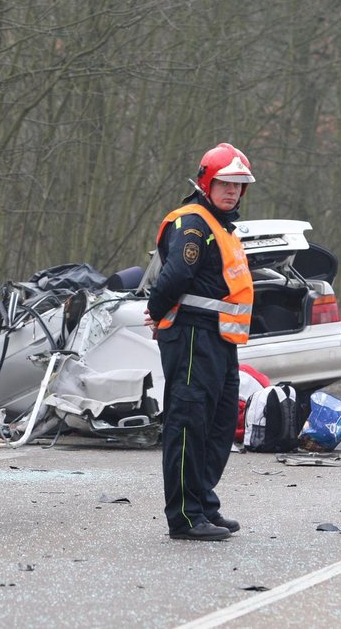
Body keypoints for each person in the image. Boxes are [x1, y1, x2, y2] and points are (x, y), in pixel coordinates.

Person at [145, 143, 255, 541]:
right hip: (192, 334)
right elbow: (174, 275)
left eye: (239, 185)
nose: (232, 191)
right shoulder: (194, 222)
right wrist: (156, 312)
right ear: (207, 182)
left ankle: (204, 503)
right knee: (189, 423)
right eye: (225, 183)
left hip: (219, 338)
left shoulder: (221, 226)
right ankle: (186, 517)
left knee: (220, 424)